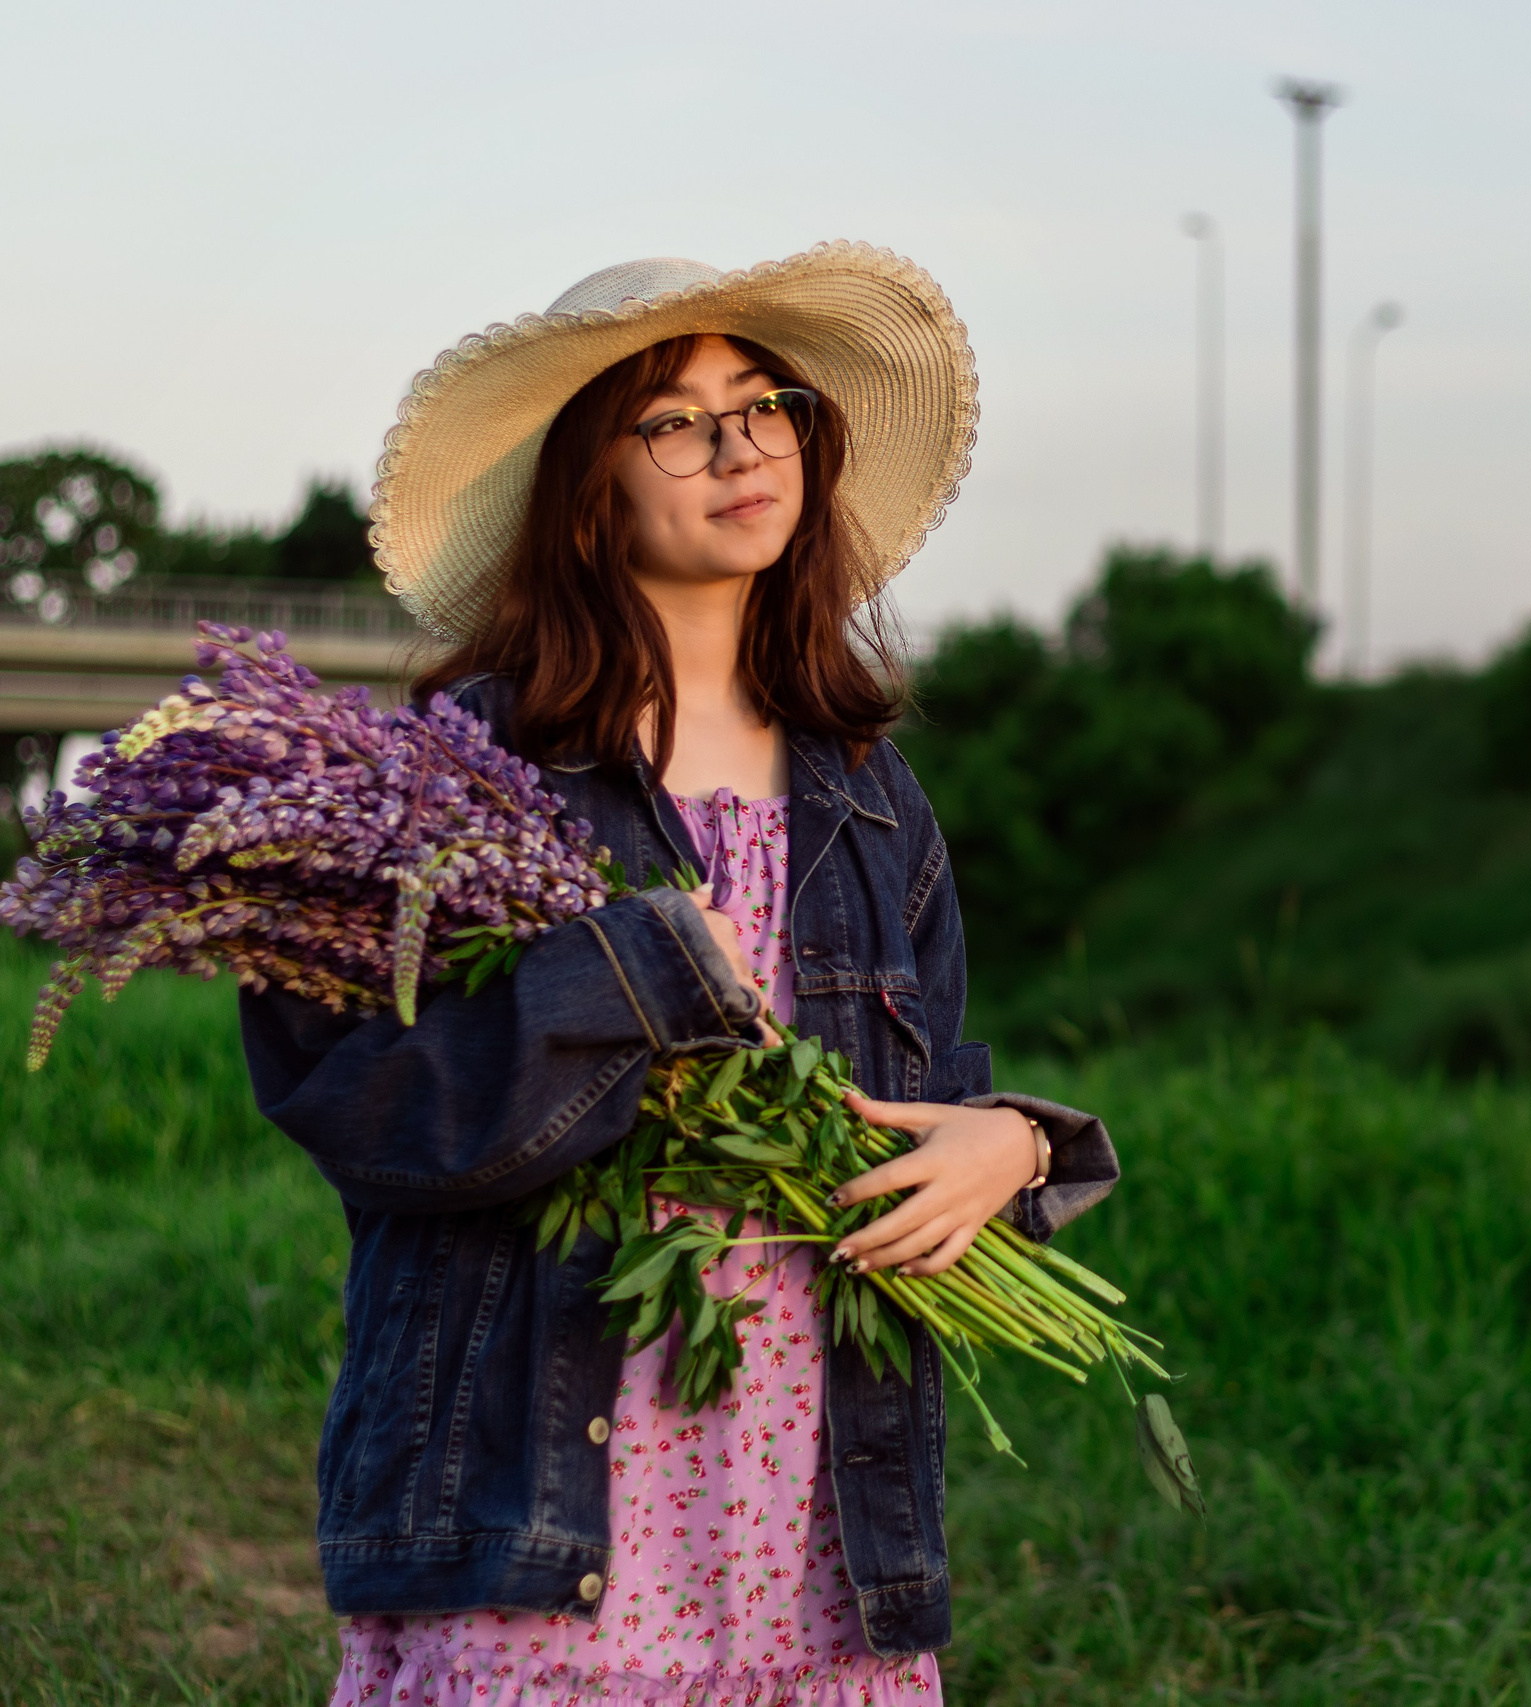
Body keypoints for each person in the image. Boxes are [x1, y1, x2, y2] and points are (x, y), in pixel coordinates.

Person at [240, 244, 1118, 1705]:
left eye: (764, 404)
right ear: (591, 488)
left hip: (813, 1478)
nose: (740, 447)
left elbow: (922, 1105)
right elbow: (361, 1111)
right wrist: (629, 979)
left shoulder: (871, 795)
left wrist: (1014, 1148)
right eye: (676, 421)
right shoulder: (467, 772)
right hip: (546, 1465)